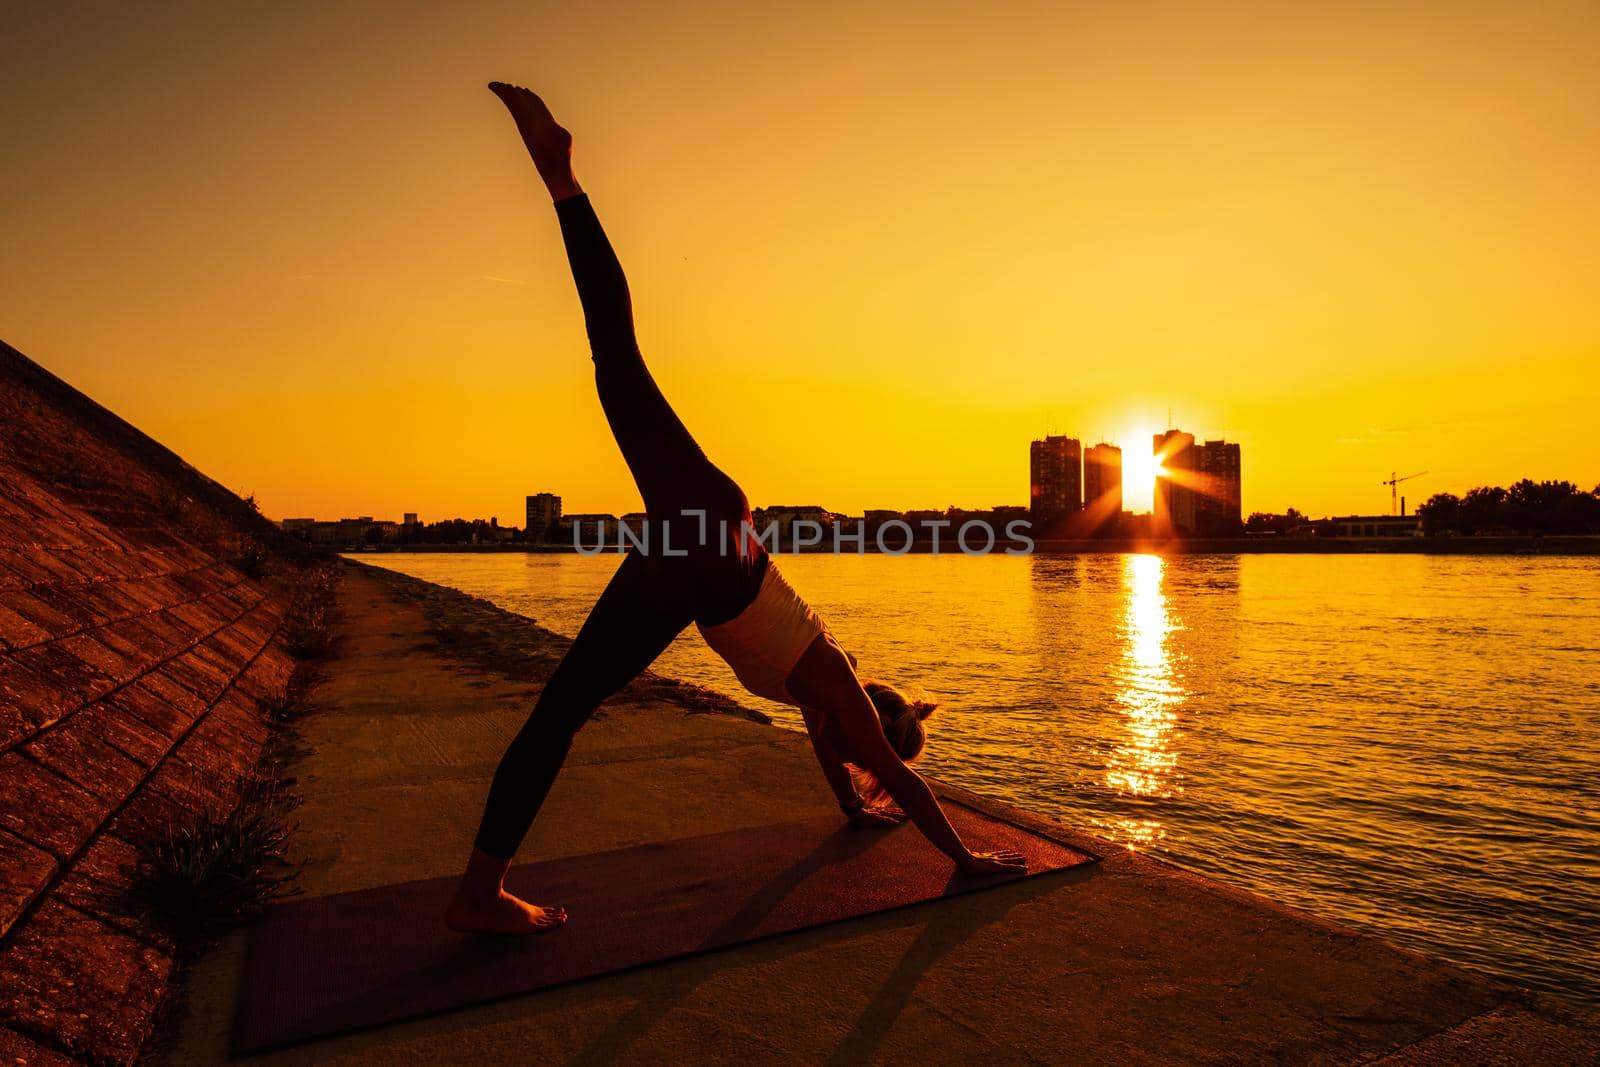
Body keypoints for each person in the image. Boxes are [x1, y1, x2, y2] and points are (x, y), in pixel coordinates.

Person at [445, 83, 1026, 935]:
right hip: (711, 546)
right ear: (881, 723)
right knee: (617, 361)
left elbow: (839, 760)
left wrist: (852, 811)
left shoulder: (823, 704)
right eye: (870, 762)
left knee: (560, 707)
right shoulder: (838, 690)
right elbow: (897, 776)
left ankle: (478, 892)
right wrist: (964, 858)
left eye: (863, 768)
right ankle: (561, 176)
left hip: (699, 562)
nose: (859, 766)